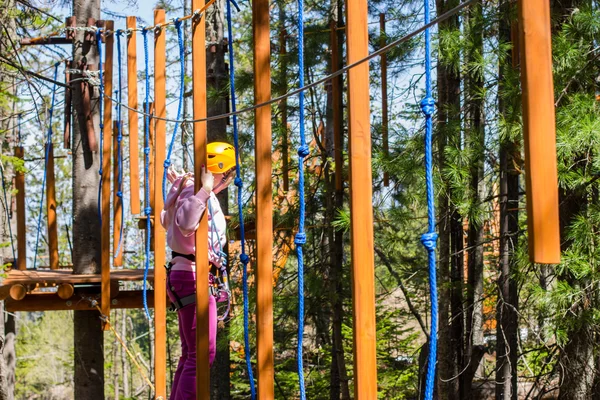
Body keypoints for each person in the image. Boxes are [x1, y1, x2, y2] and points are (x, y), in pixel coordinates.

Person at [160, 142, 236, 400]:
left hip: (186, 274)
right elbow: (185, 223)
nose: (227, 181)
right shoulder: (197, 190)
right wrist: (203, 190)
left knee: (191, 353)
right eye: (228, 175)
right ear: (219, 171)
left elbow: (165, 220)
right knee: (203, 353)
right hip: (192, 276)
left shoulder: (187, 188)